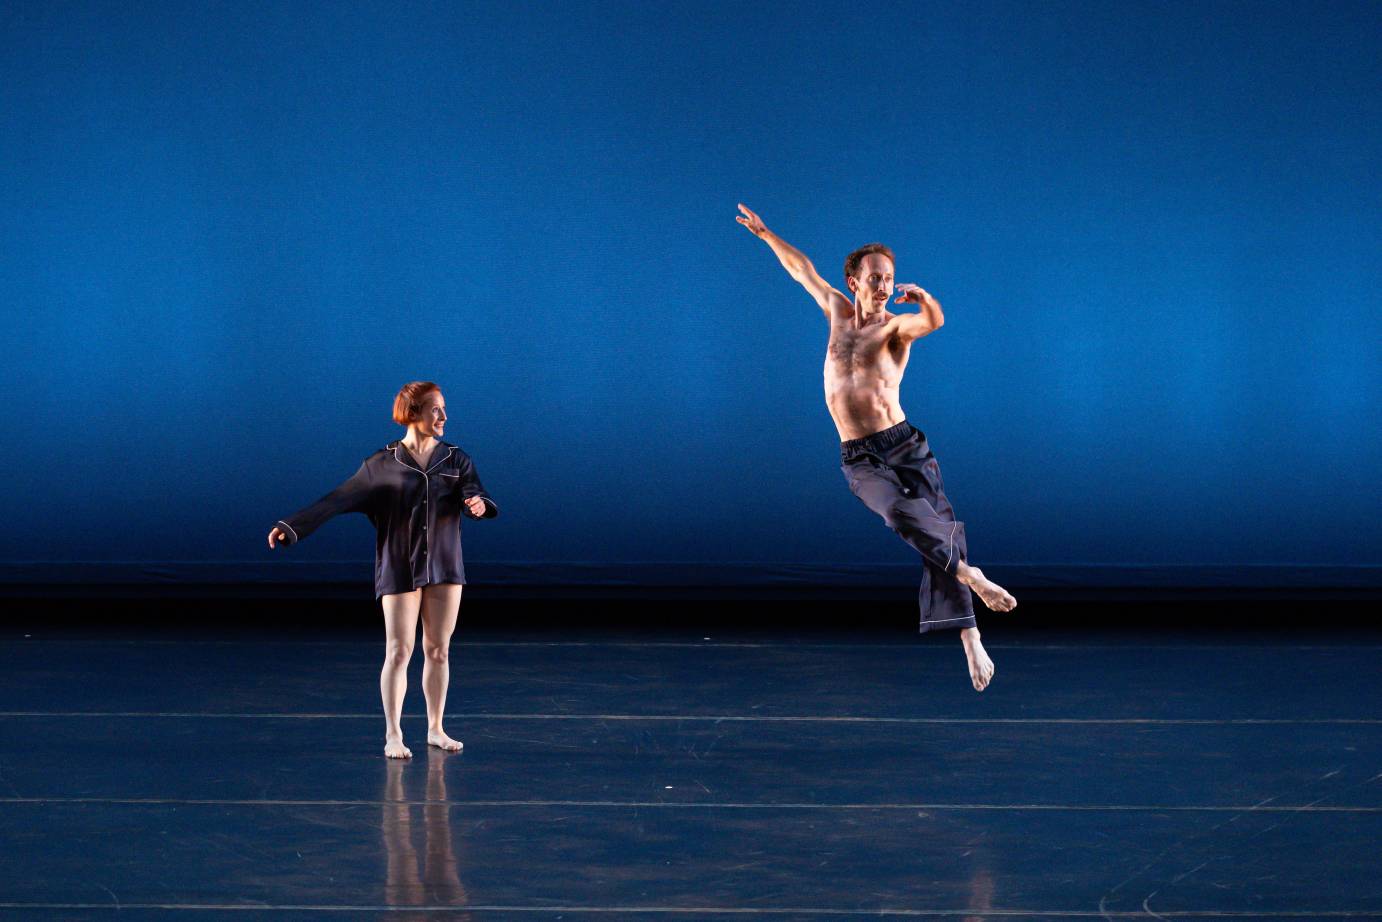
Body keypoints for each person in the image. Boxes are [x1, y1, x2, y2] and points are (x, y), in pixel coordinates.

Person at [737, 204, 1015, 691]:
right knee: (901, 515)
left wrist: (925, 300)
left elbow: (932, 323)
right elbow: (802, 270)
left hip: (904, 445)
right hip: (860, 455)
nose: (884, 286)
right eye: (875, 278)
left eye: (888, 278)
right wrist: (766, 235)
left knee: (940, 531)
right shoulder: (836, 313)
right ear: (853, 282)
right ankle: (969, 574)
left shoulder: (894, 328)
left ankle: (971, 637)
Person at [268, 381, 498, 756]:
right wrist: (291, 526)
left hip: (444, 565)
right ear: (413, 412)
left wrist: (478, 504)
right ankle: (394, 734)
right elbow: (335, 500)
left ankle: (436, 729)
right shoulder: (380, 464)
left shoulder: (457, 460)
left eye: (444, 408)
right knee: (399, 651)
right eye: (436, 409)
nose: (444, 415)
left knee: (438, 650)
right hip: (399, 565)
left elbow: (476, 493)